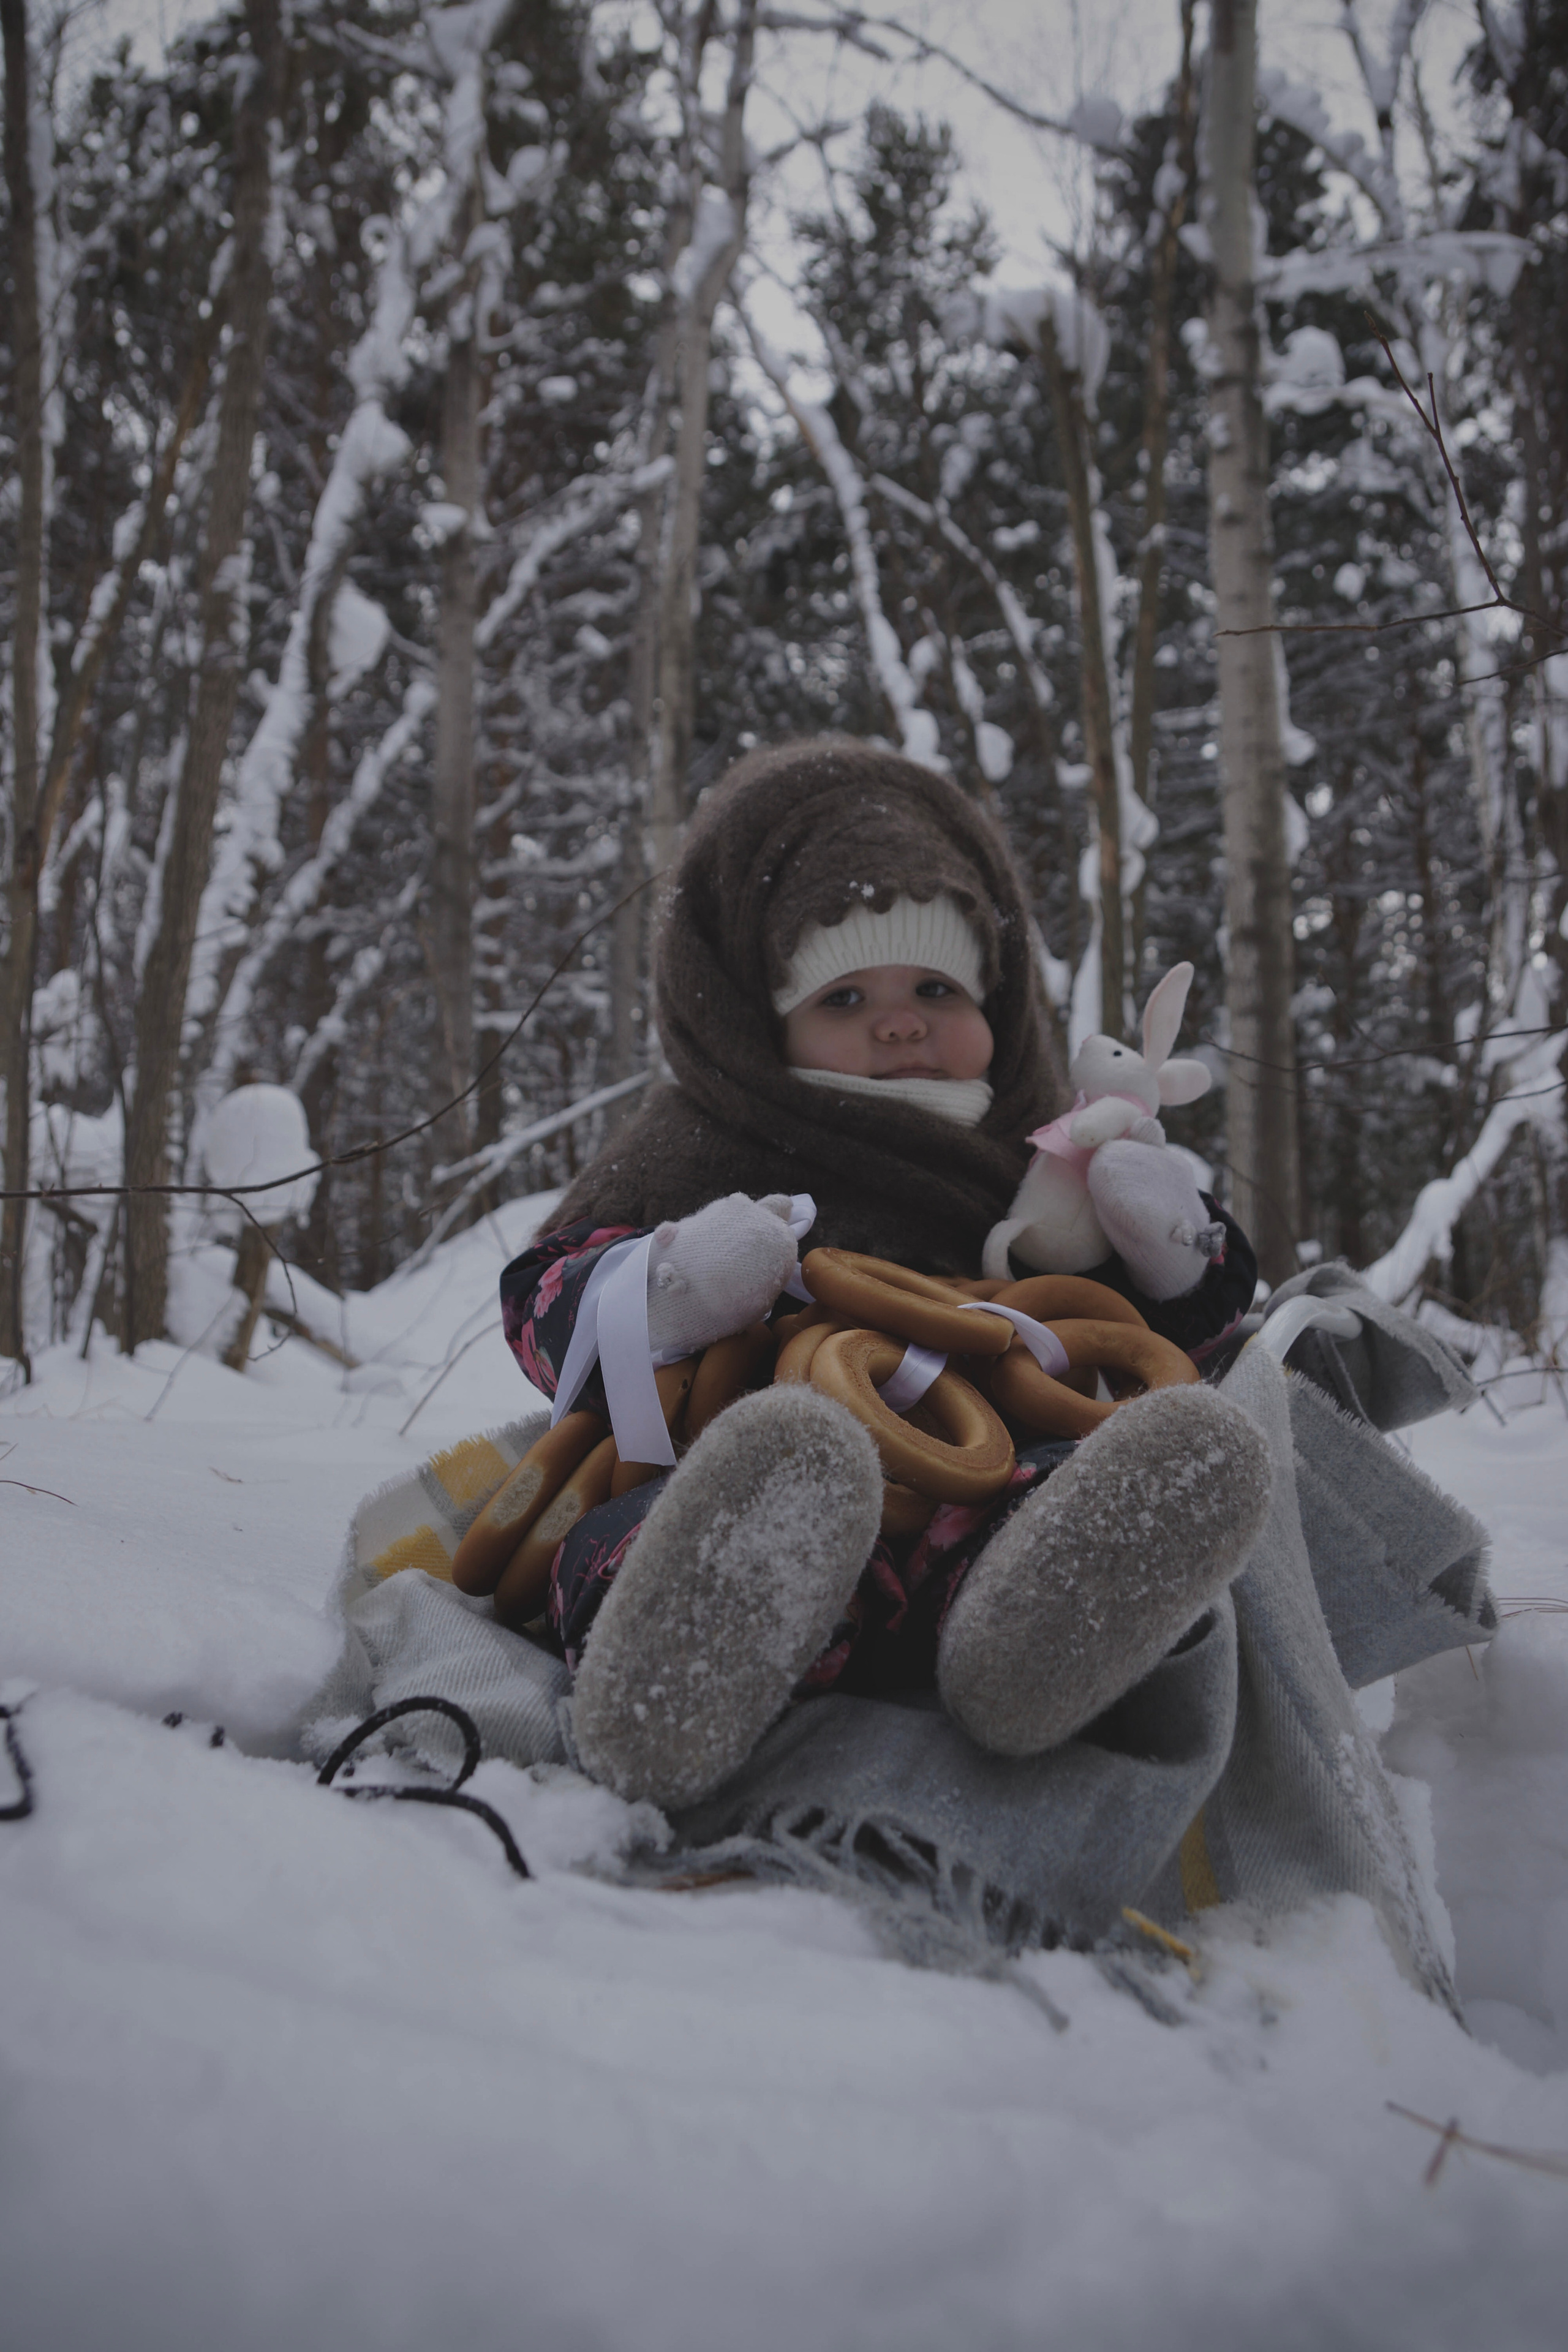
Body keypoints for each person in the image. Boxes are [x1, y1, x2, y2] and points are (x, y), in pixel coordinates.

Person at [499, 739, 1272, 1809]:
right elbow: (541, 1301)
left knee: (1049, 1502)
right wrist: (671, 1284)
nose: (901, 1021)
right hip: (737, 1468)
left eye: (936, 987)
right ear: (760, 1024)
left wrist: (1173, 1250)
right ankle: (680, 1670)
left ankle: (1031, 1639)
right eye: (845, 998)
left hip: (982, 1484)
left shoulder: (1049, 1160)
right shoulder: (701, 1143)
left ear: (999, 1002)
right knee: (653, 1531)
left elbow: (1178, 1347)